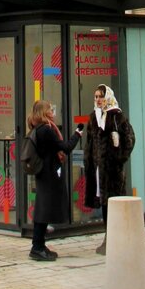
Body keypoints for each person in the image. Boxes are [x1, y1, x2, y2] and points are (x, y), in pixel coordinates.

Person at [27, 100, 83, 261]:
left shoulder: (38, 128)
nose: (53, 111)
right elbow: (65, 147)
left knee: (44, 207)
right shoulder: (46, 130)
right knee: (43, 209)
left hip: (45, 172)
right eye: (50, 109)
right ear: (44, 112)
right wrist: (77, 134)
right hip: (49, 173)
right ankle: (37, 247)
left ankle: (39, 244)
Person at [83, 84, 135, 255]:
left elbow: (129, 140)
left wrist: (118, 157)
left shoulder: (116, 117)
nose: (98, 100)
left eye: (101, 96)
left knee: (114, 203)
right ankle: (108, 237)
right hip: (98, 171)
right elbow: (89, 144)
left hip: (112, 172)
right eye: (96, 97)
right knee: (104, 204)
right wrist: (89, 161)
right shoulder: (93, 118)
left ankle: (116, 239)